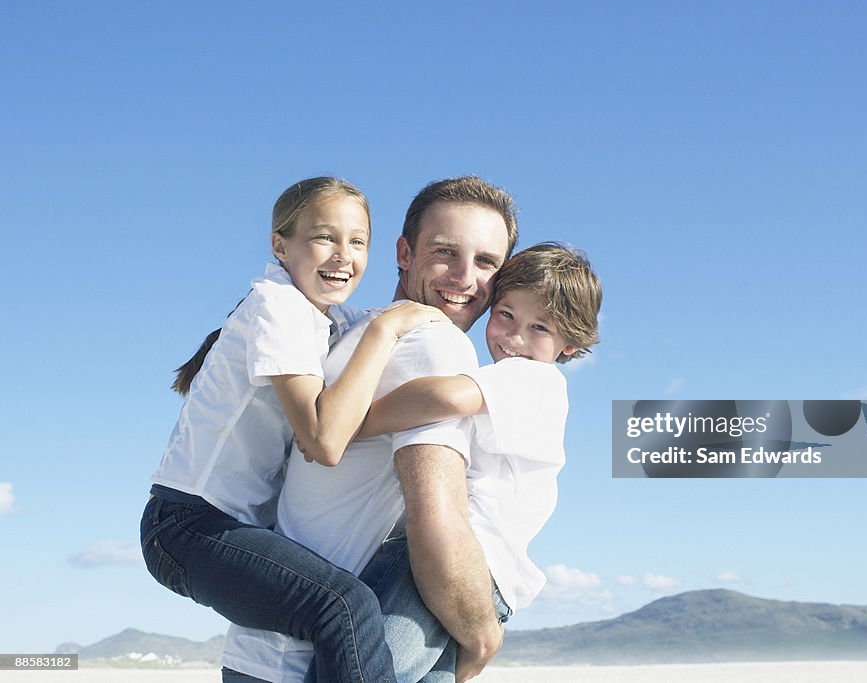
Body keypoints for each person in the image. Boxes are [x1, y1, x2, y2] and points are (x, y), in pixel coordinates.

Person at [141, 177, 447, 683]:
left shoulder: (323, 317)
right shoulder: (278, 305)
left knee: (346, 606)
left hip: (223, 527)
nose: (343, 255)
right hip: (185, 526)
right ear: (280, 245)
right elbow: (324, 441)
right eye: (325, 237)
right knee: (344, 606)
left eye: (358, 241)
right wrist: (387, 329)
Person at [221, 175, 519, 683]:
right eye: (445, 252)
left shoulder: (350, 333)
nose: (466, 276)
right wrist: (482, 633)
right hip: (334, 663)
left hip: (261, 655)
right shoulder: (435, 344)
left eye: (487, 262)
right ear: (404, 253)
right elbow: (435, 523)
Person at [352, 242, 602, 620]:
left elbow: (449, 396)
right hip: (462, 561)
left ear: (569, 341)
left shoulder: (534, 378)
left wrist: (353, 423)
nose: (514, 337)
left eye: (539, 327)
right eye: (505, 314)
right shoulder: (510, 383)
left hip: (472, 563)